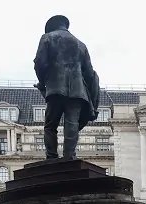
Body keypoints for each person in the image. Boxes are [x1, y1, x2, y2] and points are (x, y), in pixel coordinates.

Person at [33, 15, 100, 161]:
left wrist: (42, 82)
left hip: (55, 88)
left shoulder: (47, 37)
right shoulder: (81, 45)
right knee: (72, 125)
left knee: (50, 125)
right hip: (78, 91)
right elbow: (89, 73)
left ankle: (52, 156)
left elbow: (39, 62)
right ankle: (69, 156)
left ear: (52, 26)